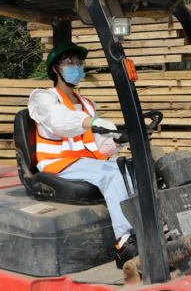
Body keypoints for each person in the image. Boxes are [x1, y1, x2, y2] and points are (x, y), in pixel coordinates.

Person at [28, 40, 138, 269]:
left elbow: (97, 143)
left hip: (85, 162)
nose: (76, 67)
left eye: (79, 62)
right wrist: (94, 122)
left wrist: (118, 138)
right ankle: (125, 242)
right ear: (55, 68)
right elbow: (60, 121)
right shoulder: (43, 97)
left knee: (129, 167)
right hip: (57, 164)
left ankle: (147, 227)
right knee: (110, 174)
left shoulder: (86, 103)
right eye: (69, 62)